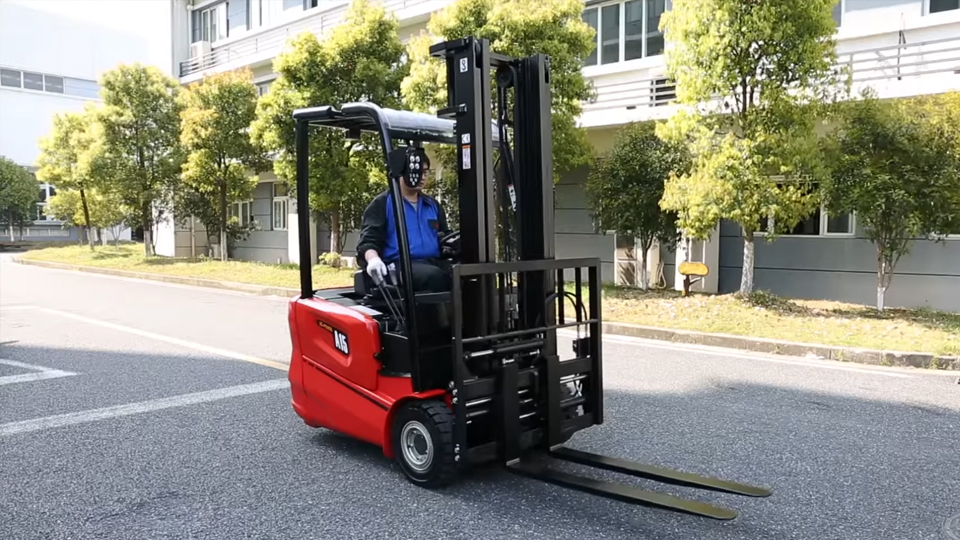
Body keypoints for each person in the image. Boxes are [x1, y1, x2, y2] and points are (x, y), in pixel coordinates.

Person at [356, 154, 453, 293]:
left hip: (433, 261)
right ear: (402, 172)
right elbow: (368, 241)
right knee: (433, 276)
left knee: (466, 273)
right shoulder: (383, 203)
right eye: (418, 172)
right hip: (398, 265)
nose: (423, 177)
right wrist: (373, 259)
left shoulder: (432, 205)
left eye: (425, 172)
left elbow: (444, 235)